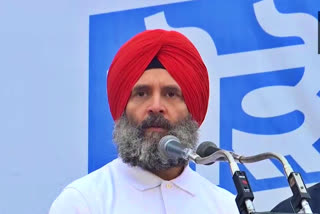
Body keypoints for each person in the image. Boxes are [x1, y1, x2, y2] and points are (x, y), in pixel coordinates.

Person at [49, 29, 239, 214]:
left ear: (191, 109)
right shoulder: (84, 202)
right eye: (141, 93)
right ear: (123, 106)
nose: (156, 106)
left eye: (171, 94)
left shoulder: (226, 206)